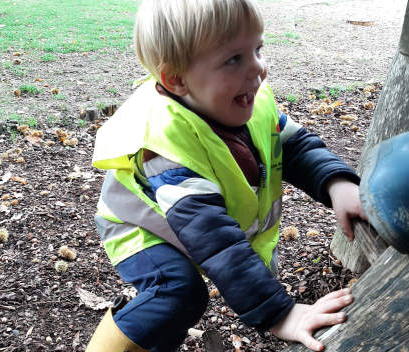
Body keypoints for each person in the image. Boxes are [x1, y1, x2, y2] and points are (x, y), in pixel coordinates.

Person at [87, 0, 367, 351]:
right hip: (140, 226)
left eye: (257, 49)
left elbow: (293, 146)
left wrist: (336, 183)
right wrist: (281, 315)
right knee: (177, 294)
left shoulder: (246, 98)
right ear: (176, 79)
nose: (258, 69)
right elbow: (213, 237)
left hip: (185, 220)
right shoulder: (165, 148)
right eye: (234, 59)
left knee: (169, 320)